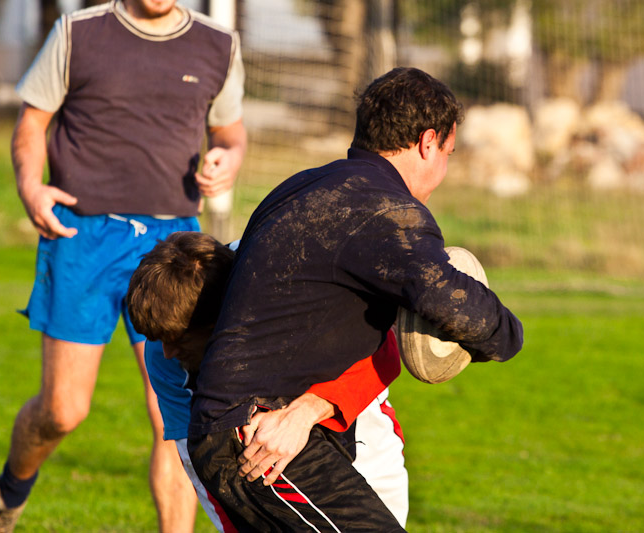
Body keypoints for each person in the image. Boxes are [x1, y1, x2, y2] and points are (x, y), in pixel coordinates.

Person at [187, 67, 524, 532]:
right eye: (447, 153)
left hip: (256, 424)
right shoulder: (388, 211)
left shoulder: (302, 185)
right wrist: (509, 334)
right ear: (428, 143)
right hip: (260, 434)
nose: (443, 170)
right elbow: (455, 305)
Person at [0, 0, 247, 531]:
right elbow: (32, 123)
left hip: (172, 246)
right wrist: (30, 187)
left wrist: (228, 157)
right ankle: (8, 494)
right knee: (63, 410)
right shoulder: (77, 32)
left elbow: (230, 131)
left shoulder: (218, 44)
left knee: (173, 413)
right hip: (83, 236)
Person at [126, 231, 409, 529]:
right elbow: (206, 469)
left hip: (361, 426)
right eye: (159, 339)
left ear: (220, 322)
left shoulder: (293, 281)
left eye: (179, 341)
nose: (168, 353)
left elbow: (383, 352)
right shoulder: (164, 359)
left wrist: (305, 413)